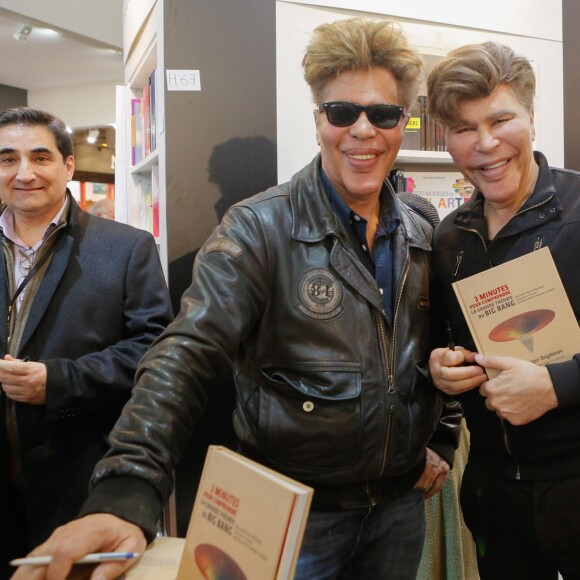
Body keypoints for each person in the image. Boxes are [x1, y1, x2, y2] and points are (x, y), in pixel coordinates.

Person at [14, 18, 462, 580]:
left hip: (399, 509)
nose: (363, 131)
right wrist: (128, 486)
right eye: (343, 112)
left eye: (384, 114)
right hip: (295, 514)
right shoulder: (257, 227)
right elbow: (186, 354)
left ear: (404, 122)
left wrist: (441, 437)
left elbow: (439, 347)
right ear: (318, 118)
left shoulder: (421, 225)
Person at [427, 42, 580, 579]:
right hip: (496, 491)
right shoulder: (450, 238)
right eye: (464, 128)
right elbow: (445, 338)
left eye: (501, 119)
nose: (486, 144)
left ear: (532, 118)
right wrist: (442, 366)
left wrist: (558, 384)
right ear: (447, 140)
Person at [0, 107, 173, 577]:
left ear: (68, 166)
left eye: (40, 157)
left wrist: (59, 380)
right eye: (7, 159)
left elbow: (154, 348)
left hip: (80, 481)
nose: (24, 173)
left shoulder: (125, 247)